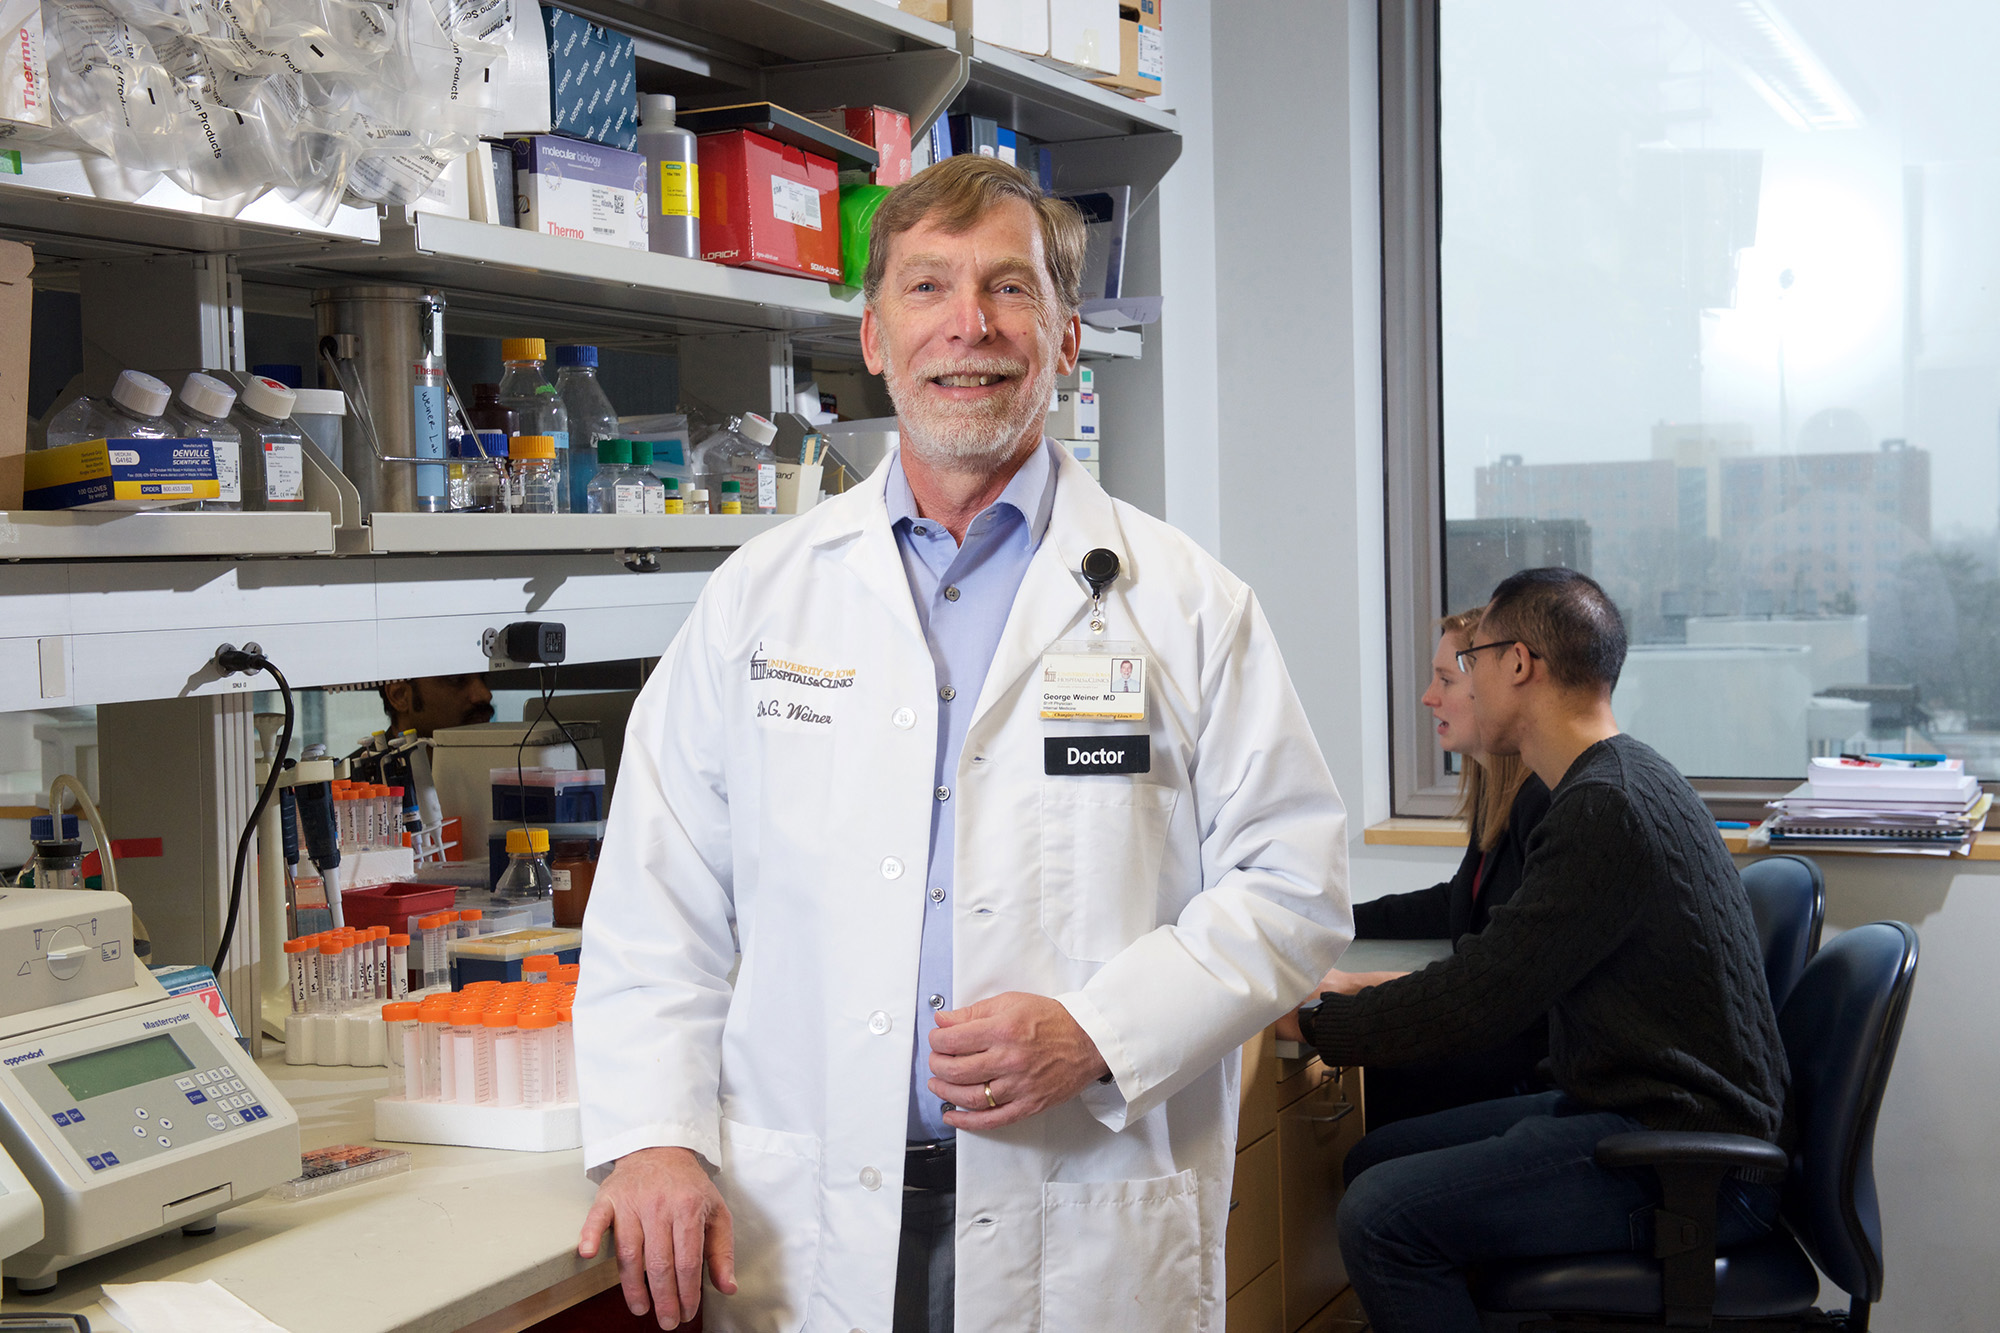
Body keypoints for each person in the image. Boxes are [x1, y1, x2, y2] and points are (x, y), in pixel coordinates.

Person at [573, 153, 1351, 1333]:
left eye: (1009, 288)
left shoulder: (1187, 604)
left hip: (1075, 1201)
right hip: (811, 1213)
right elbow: (657, 903)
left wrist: (1098, 1030)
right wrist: (652, 1136)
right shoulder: (760, 600)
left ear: (1067, 335)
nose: (968, 326)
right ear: (875, 337)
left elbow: (1293, 885)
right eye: (927, 288)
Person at [1279, 567, 1788, 1333]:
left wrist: (1319, 1022)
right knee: (1371, 1162)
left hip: (1691, 1163)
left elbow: (1487, 991)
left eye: (1471, 660)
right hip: (1644, 1112)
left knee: (1380, 1217)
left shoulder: (1605, 807)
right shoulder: (1623, 777)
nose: (1460, 683)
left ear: (1518, 663)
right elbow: (1503, 966)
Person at [1341, 608, 1552, 1128]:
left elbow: (1498, 984)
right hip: (1500, 1045)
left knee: (1365, 1086)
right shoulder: (1499, 795)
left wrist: (1351, 989)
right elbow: (1457, 901)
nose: (1428, 697)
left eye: (1446, 680)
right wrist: (1338, 920)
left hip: (1524, 1066)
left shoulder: (1545, 802)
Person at [377, 674, 493, 737]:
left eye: (483, 678)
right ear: (400, 696)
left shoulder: (497, 762)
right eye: (456, 679)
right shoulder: (366, 777)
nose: (485, 695)